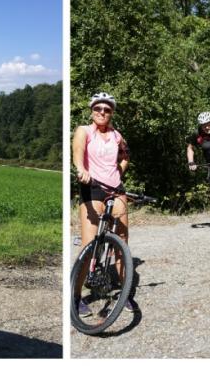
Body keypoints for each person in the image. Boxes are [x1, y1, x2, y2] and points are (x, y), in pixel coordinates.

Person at [71, 92, 134, 314]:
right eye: (98, 109)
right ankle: (76, 297)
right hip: (93, 188)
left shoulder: (117, 136)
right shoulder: (84, 131)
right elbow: (77, 152)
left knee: (122, 241)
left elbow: (125, 155)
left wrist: (119, 171)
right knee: (88, 245)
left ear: (112, 113)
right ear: (92, 111)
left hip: (116, 189)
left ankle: (124, 294)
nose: (102, 113)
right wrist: (81, 169)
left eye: (107, 110)